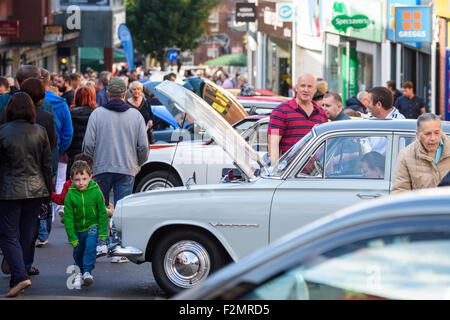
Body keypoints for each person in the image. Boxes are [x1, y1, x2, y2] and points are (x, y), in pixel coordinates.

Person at [83, 77, 149, 263]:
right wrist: (138, 163)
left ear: (108, 93)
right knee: (121, 210)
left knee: (99, 208)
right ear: (124, 93)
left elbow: (88, 144)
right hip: (127, 167)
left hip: (101, 167)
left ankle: (100, 244)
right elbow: (143, 147)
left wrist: (90, 164)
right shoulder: (136, 116)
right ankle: (118, 248)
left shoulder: (97, 114)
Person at [0, 92, 53, 297]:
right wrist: (48, 195)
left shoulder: (3, 132)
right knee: (26, 235)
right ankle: (17, 276)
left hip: (8, 190)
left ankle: (20, 277)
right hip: (36, 189)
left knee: (8, 235)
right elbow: (47, 166)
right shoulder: (40, 131)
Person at [64, 160, 108, 287]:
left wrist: (103, 232)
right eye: (77, 179)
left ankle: (87, 272)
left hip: (92, 225)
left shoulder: (95, 191)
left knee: (90, 247)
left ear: (90, 177)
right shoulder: (70, 195)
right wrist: (71, 237)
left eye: (84, 178)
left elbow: (102, 213)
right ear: (71, 179)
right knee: (78, 251)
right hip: (77, 229)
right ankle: (79, 272)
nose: (81, 182)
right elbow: (68, 218)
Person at [268, 73, 328, 165]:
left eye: (310, 86)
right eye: (302, 86)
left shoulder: (322, 114)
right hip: (288, 174)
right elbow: (273, 144)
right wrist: (275, 172)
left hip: (315, 175)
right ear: (296, 88)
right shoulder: (280, 111)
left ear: (315, 89)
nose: (306, 90)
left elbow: (326, 146)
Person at [392, 113, 450, 194]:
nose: (433, 138)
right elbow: (399, 192)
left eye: (436, 133)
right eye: (427, 134)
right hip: (421, 206)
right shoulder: (406, 156)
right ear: (418, 134)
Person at [65, 86, 98, 180]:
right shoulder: (96, 114)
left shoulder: (70, 114)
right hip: (92, 157)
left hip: (73, 155)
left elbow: (66, 134)